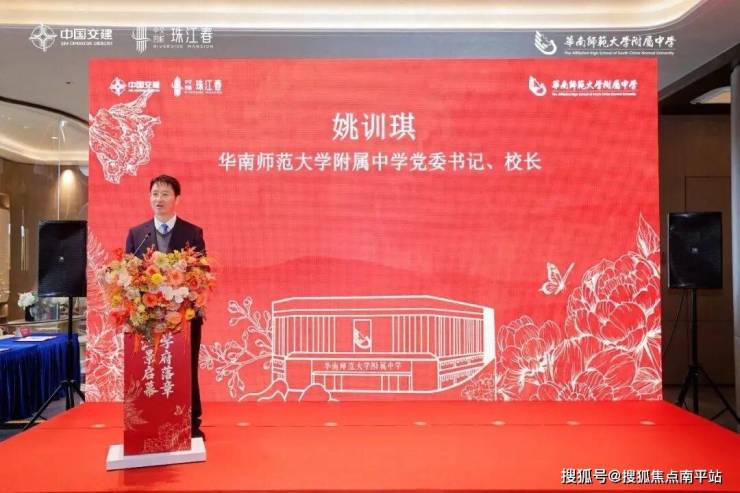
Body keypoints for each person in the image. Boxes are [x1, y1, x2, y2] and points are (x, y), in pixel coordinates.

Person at [125, 174, 206, 440]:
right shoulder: (137, 234)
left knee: (185, 366)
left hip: (184, 317)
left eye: (165, 194)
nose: (158, 199)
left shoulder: (192, 232)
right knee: (152, 368)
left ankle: (191, 422)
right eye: (155, 194)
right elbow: (127, 272)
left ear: (176, 199)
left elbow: (201, 274)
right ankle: (152, 418)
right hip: (148, 317)